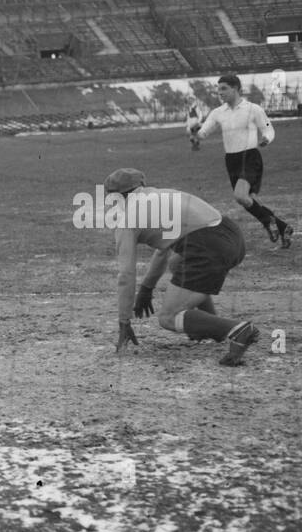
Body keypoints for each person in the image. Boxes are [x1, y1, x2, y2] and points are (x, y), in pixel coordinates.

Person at [104, 167, 259, 367]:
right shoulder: (162, 194)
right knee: (176, 262)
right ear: (140, 185)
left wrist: (124, 322)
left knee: (168, 317)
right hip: (232, 236)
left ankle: (239, 330)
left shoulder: (126, 217)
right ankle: (209, 323)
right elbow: (164, 251)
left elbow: (125, 275)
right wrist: (147, 288)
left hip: (209, 247)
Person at [190, 74, 292, 248]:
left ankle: (268, 222)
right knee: (246, 200)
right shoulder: (218, 113)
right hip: (231, 160)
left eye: (224, 88)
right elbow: (203, 132)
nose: (219, 92)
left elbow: (268, 128)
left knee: (240, 195)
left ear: (236, 88)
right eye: (218, 89)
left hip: (250, 157)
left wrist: (266, 139)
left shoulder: (253, 109)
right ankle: (283, 227)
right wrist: (195, 133)